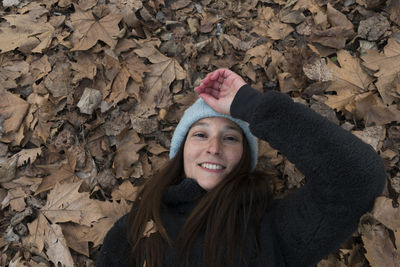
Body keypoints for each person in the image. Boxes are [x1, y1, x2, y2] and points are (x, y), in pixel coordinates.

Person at [96, 68, 386, 267]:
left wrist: (250, 105)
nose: (214, 147)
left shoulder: (274, 227)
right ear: (181, 152)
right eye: (200, 134)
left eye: (231, 138)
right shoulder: (135, 230)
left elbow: (356, 181)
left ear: (246, 160)